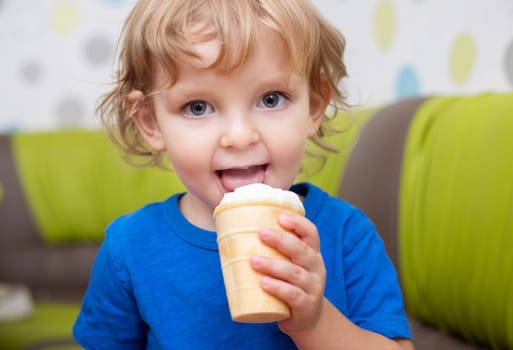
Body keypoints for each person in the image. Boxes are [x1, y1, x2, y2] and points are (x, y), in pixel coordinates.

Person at [73, 0, 414, 349]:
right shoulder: (129, 249)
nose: (239, 136)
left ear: (313, 106)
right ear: (150, 121)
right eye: (198, 107)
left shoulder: (346, 235)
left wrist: (315, 321)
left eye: (271, 99)